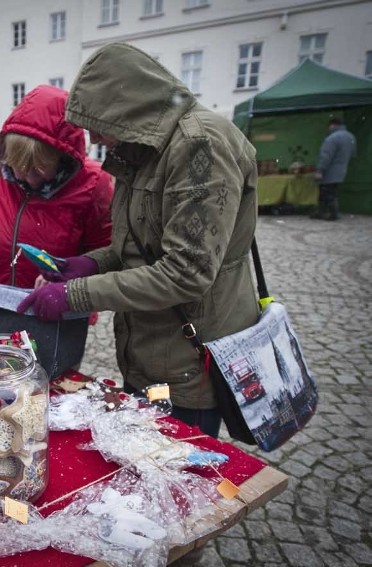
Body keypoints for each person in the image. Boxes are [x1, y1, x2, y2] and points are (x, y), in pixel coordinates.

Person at [18, 43, 259, 438]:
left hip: (188, 360)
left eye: (97, 122)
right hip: (148, 353)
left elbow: (185, 273)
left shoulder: (200, 145)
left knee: (177, 467)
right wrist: (92, 262)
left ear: (127, 109)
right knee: (143, 452)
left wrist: (75, 294)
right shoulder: (145, 151)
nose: (93, 135)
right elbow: (136, 247)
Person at [0, 85, 113, 378]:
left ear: (61, 159)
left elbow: (106, 251)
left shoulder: (94, 184)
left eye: (37, 170)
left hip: (55, 312)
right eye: (19, 168)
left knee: (45, 386)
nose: (25, 178)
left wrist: (76, 289)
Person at [311, 117, 356, 220]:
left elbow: (326, 156)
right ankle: (321, 212)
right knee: (330, 192)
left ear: (332, 125)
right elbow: (353, 154)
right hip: (342, 169)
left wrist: (319, 170)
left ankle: (333, 214)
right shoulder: (351, 137)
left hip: (329, 171)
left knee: (327, 192)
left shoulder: (332, 138)